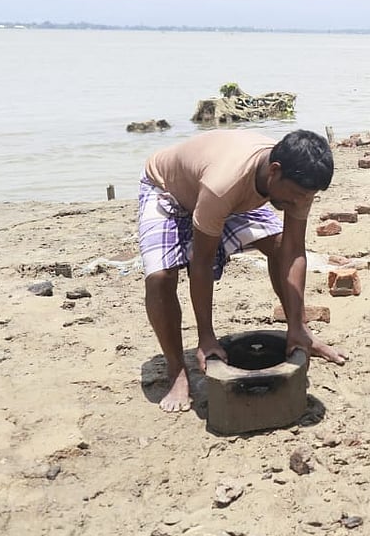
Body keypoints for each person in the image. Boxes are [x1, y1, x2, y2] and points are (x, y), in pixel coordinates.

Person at [138, 128, 346, 412]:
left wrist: (297, 325)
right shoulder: (223, 184)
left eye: (306, 197)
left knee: (278, 245)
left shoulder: (299, 181)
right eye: (296, 196)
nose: (300, 203)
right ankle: (176, 370)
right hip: (169, 190)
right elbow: (201, 262)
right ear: (274, 171)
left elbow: (294, 250)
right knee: (161, 277)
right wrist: (206, 338)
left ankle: (301, 332)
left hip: (233, 196)